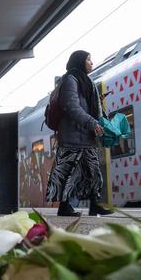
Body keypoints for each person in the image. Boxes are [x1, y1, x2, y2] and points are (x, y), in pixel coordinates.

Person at [47, 50, 112, 217]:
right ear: (80, 61)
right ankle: (64, 207)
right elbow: (71, 107)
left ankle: (95, 205)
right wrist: (92, 122)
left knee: (93, 172)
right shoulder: (70, 80)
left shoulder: (85, 81)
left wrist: (98, 108)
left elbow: (84, 105)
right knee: (67, 172)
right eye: (88, 59)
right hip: (72, 136)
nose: (91, 62)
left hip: (86, 137)